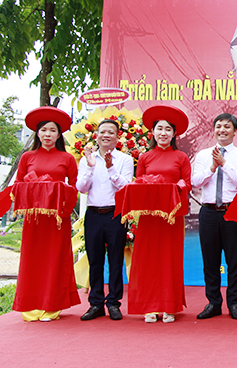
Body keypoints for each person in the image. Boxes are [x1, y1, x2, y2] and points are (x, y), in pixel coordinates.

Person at [12, 107, 80, 321]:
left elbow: (75, 187)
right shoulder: (27, 157)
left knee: (54, 260)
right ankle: (30, 305)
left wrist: (58, 191)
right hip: (34, 220)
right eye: (44, 130)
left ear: (59, 135)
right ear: (37, 133)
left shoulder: (67, 158)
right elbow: (18, 185)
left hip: (56, 220)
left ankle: (51, 305)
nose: (48, 134)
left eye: (52, 130)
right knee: (32, 259)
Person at [129, 105, 191, 323]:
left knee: (169, 259)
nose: (163, 133)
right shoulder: (145, 158)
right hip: (149, 217)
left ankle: (169, 305)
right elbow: (138, 183)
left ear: (174, 133)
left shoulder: (181, 157)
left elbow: (188, 185)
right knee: (148, 259)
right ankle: (148, 306)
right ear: (152, 132)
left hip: (171, 218)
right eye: (159, 128)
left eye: (167, 129)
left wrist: (179, 187)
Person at [192, 113, 237, 320]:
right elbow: (196, 182)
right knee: (210, 260)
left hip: (232, 211)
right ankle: (213, 302)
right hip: (208, 211)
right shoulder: (202, 155)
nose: (222, 130)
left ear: (235, 131)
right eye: (218, 126)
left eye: (227, 127)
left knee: (234, 260)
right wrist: (212, 167)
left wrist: (224, 164)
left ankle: (234, 304)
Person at [78, 119, 133, 321]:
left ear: (117, 137)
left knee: (116, 259)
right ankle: (96, 304)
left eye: (111, 132)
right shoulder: (86, 159)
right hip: (92, 214)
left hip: (115, 214)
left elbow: (126, 187)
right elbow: (81, 188)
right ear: (97, 135)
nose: (106, 135)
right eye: (102, 132)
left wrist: (111, 168)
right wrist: (92, 167)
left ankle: (114, 303)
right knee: (95, 260)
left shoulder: (125, 160)